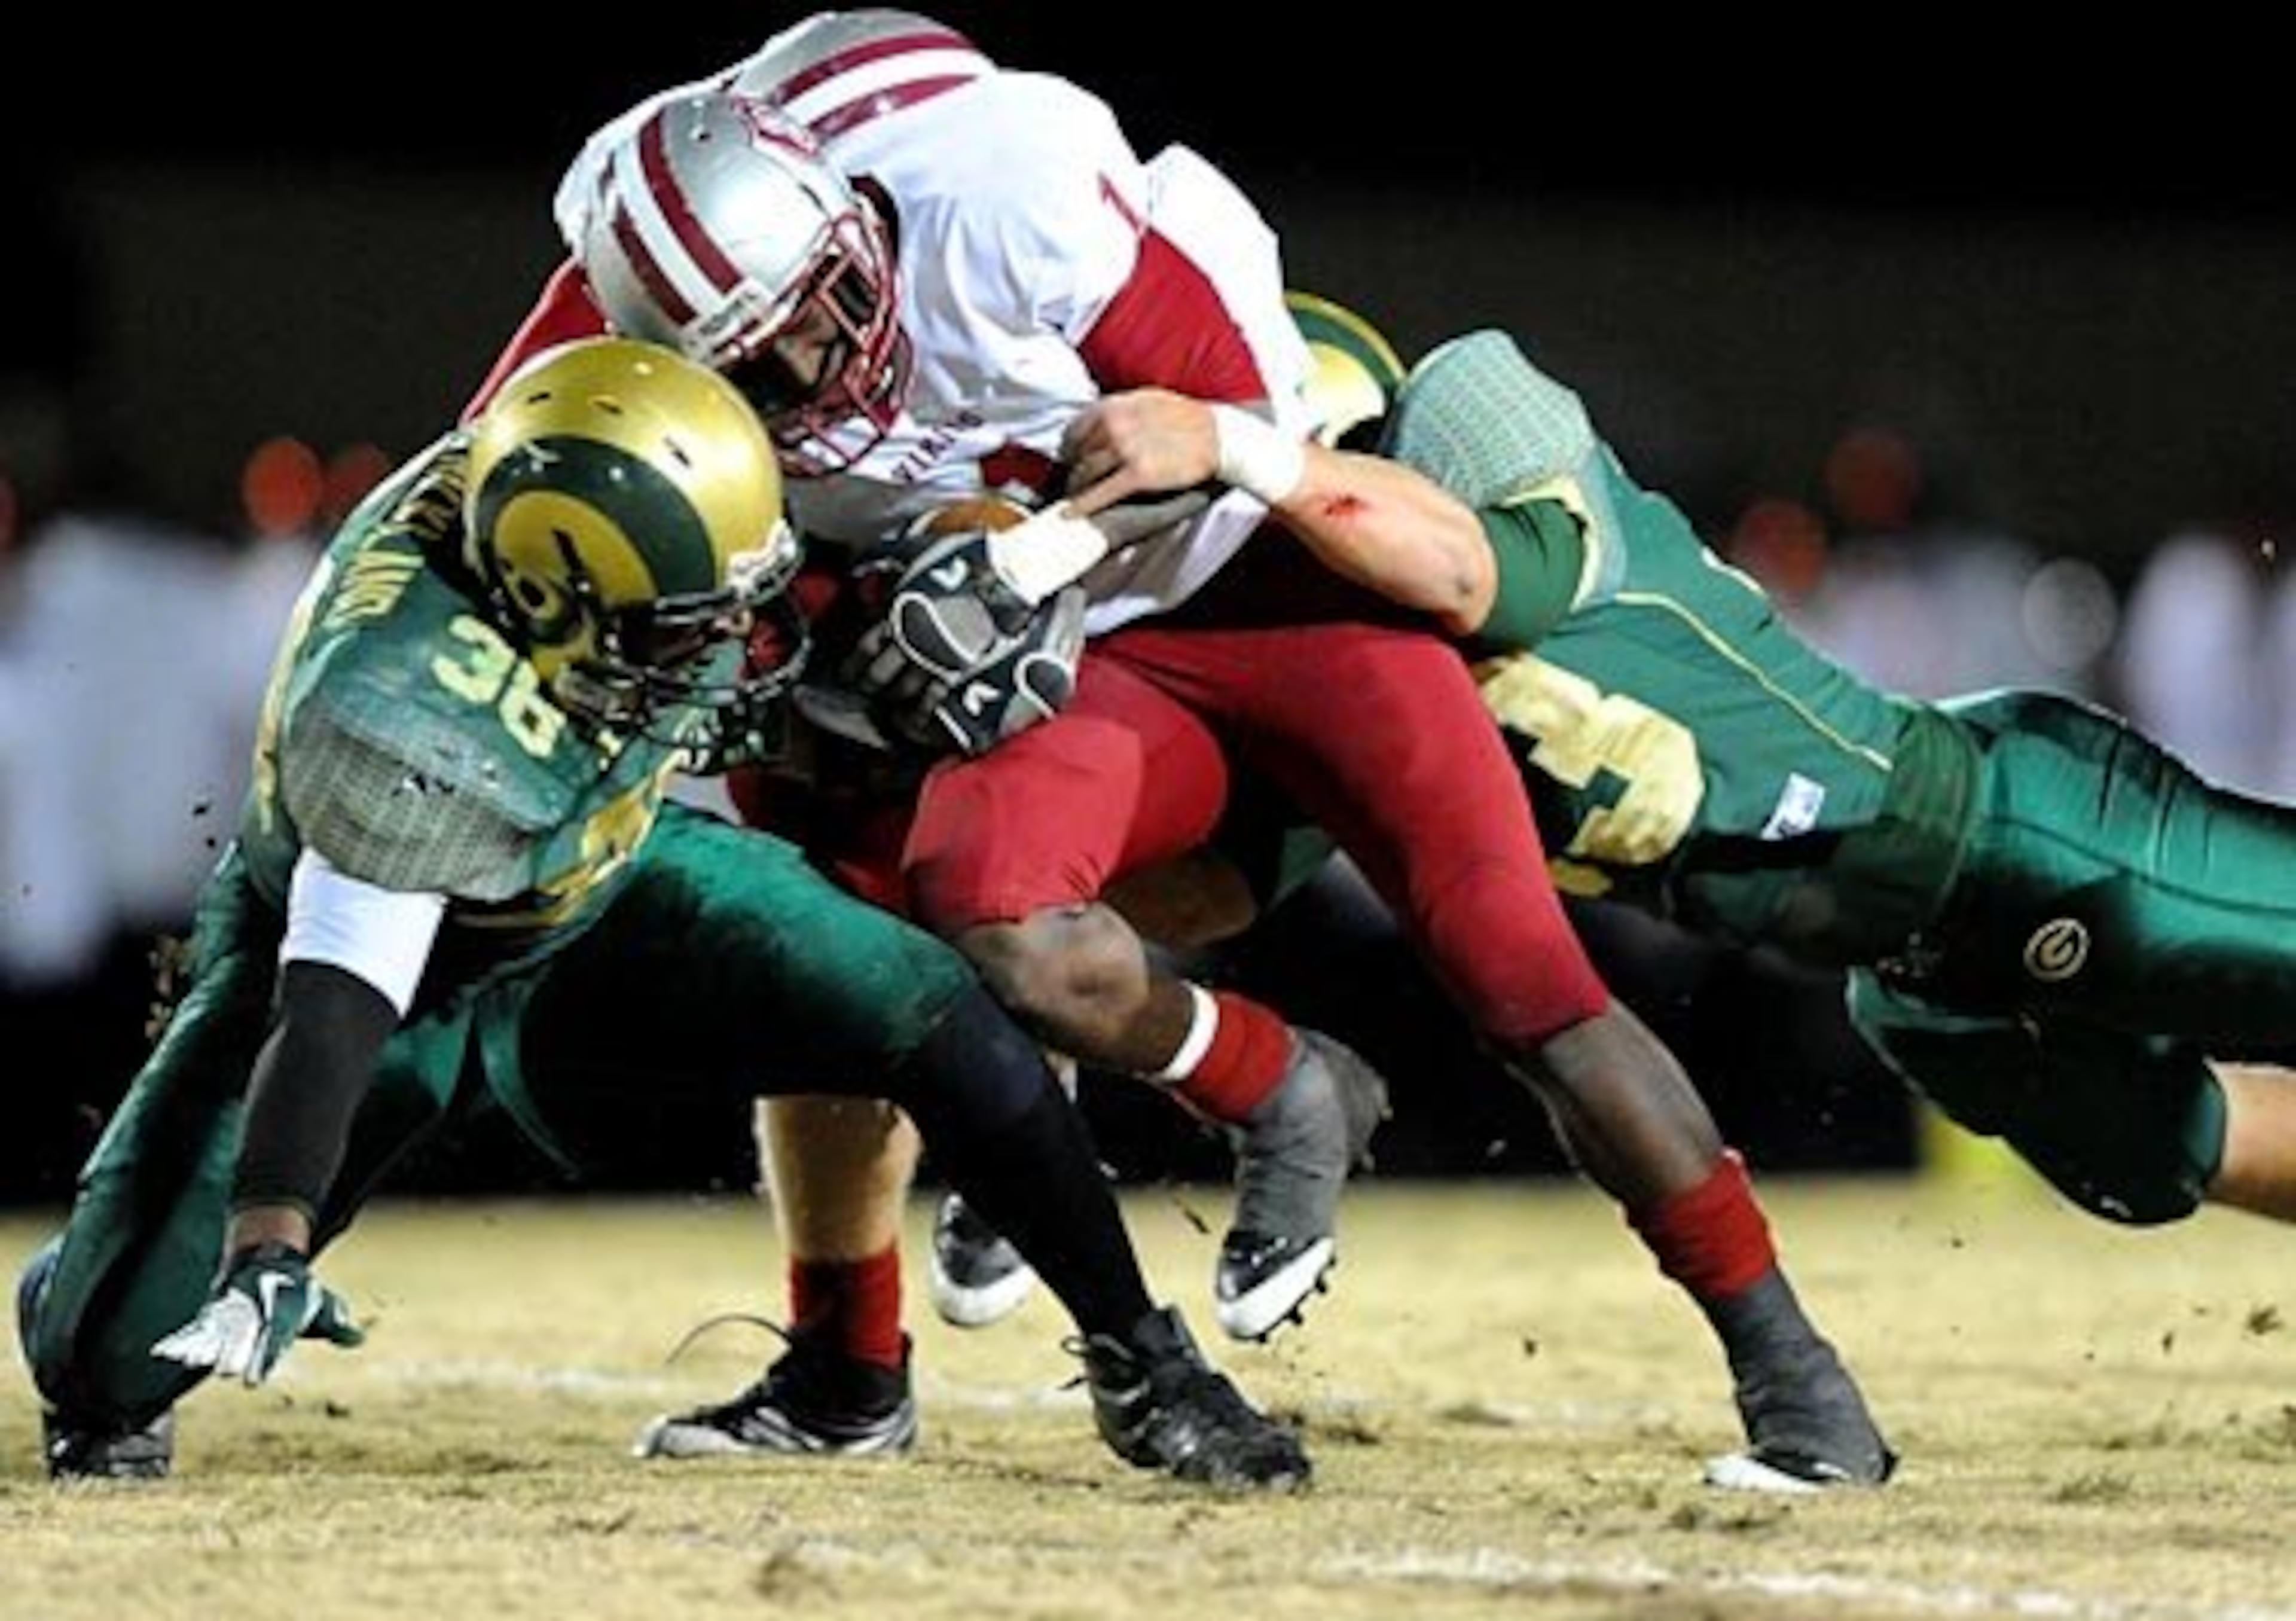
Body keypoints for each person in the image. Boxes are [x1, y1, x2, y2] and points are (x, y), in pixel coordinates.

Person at [473, 13, 1894, 1493]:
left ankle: (1796, 1377)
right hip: (1087, 655)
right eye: (762, 369)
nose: (825, 367)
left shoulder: (1001, 192)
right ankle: (1225, 1110)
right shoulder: (597, 354)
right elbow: (492, 532)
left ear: (848, 215)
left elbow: (1223, 444)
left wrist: (1030, 564)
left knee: (1526, 978)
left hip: (1269, 583)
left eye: (823, 308)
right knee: (907, 893)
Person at [11, 335, 1311, 1494]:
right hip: (380, 970)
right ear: (553, 611)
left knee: (930, 1004)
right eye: (693, 621)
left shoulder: (560, 475)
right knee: (106, 1365)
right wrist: (269, 1239)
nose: (728, 635)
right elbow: (339, 1000)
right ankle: (85, 1292)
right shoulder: (400, 714)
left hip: (597, 874)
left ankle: (1149, 1367)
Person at [1129, 289, 2296, 1241]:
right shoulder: (1357, 672)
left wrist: (1238, 452)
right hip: (1908, 975)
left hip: (2007, 829)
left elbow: (1488, 583)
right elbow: (1207, 892)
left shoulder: (1473, 417)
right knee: (2182, 1149)